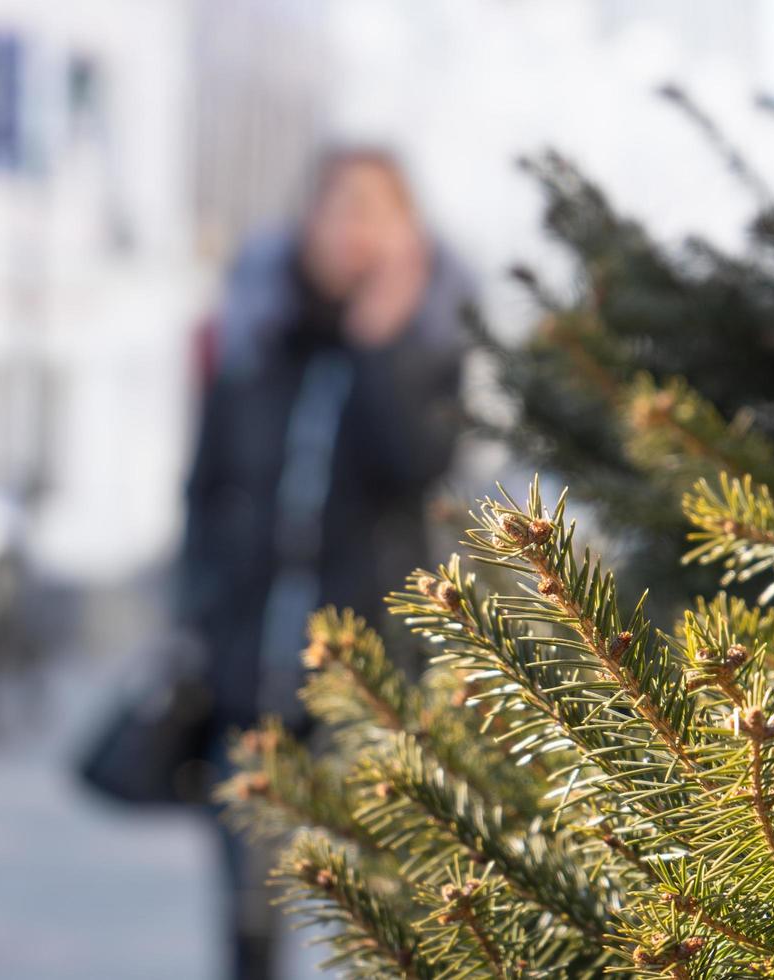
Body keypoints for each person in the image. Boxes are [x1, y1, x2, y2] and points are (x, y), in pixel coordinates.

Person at [177, 148, 472, 980]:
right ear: (304, 222)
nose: (356, 229)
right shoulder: (254, 340)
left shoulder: (433, 349)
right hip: (252, 681)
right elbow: (203, 495)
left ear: (411, 234)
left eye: (379, 209)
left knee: (386, 926)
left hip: (376, 688)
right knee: (247, 926)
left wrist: (380, 343)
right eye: (340, 207)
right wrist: (199, 626)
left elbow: (420, 467)